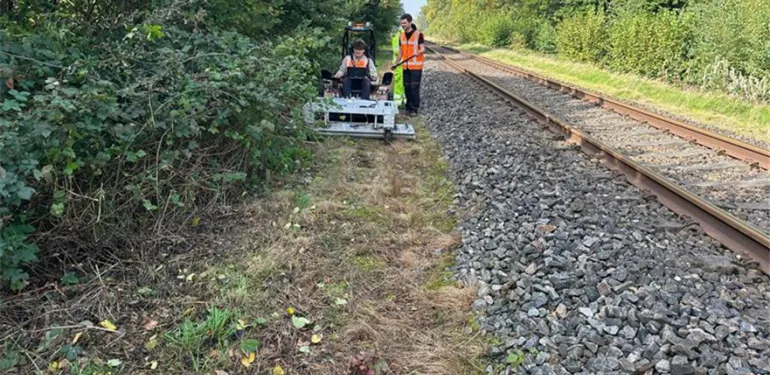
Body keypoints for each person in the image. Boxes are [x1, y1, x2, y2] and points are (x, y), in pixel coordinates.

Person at [391, 13, 425, 117]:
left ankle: (414, 109)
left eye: (404, 23)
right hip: (405, 66)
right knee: (407, 87)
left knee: (414, 88)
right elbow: (400, 53)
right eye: (401, 23)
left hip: (416, 67)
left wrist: (419, 52)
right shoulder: (401, 36)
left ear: (410, 22)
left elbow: (423, 48)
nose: (403, 25)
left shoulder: (418, 35)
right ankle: (408, 107)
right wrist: (395, 64)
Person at [391, 28, 406, 107]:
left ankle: (401, 100)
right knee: (400, 83)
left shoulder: (397, 36)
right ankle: (400, 101)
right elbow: (397, 51)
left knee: (402, 83)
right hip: (400, 64)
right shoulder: (399, 37)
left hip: (401, 64)